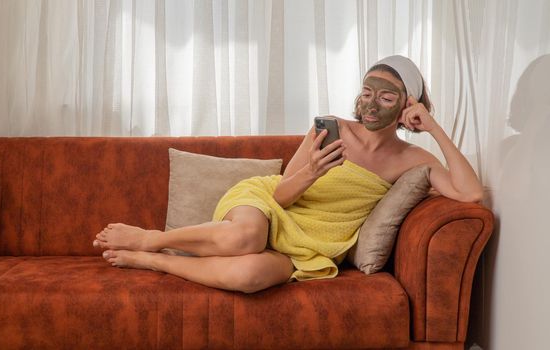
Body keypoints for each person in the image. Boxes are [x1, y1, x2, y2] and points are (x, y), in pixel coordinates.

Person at [92, 55, 484, 293]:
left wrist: (433, 128)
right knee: (248, 236)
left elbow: (471, 194)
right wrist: (312, 171)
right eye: (367, 92)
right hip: (267, 206)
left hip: (311, 244)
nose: (371, 104)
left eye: (386, 97)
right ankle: (153, 239)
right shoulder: (332, 128)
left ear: (406, 107)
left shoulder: (414, 159)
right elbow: (281, 196)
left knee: (249, 276)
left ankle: (156, 261)